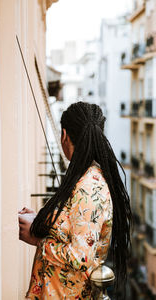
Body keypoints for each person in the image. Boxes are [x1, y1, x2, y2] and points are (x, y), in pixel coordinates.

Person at [19, 102, 133, 299]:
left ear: (64, 135)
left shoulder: (89, 186)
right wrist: (40, 220)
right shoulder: (84, 178)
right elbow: (73, 228)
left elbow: (80, 257)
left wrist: (37, 239)